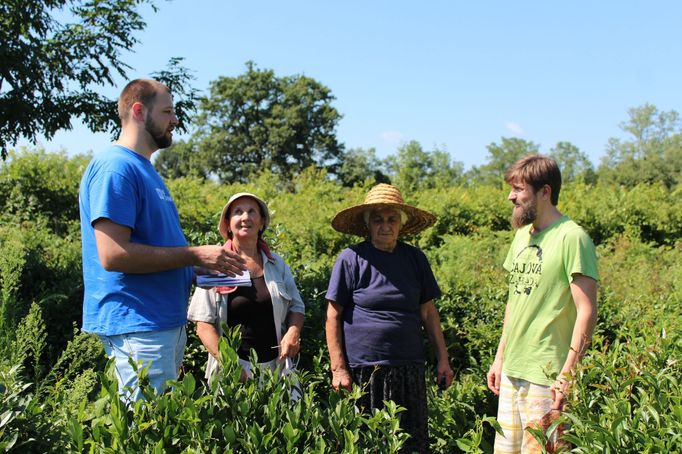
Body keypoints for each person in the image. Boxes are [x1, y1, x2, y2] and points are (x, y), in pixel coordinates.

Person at [79, 79, 246, 401]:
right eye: (168, 111)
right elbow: (114, 255)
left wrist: (201, 271)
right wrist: (194, 254)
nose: (175, 120)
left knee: (161, 428)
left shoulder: (144, 170)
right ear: (139, 111)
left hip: (159, 322)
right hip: (139, 325)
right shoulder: (116, 168)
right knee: (145, 429)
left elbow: (155, 249)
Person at [325, 183, 454, 454]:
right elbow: (333, 315)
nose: (385, 225)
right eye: (378, 219)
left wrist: (443, 359)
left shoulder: (415, 258)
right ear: (368, 224)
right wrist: (338, 369)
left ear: (401, 224)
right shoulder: (351, 259)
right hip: (365, 370)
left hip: (409, 368)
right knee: (367, 443)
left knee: (410, 443)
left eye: (392, 219)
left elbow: (428, 313)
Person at [486, 154, 599, 453]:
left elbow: (587, 311)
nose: (511, 196)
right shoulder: (522, 235)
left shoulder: (572, 238)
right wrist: (500, 358)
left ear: (545, 191)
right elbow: (515, 301)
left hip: (547, 377)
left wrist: (567, 375)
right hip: (512, 370)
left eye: (519, 189)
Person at [187, 192, 305, 386]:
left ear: (261, 222)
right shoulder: (216, 263)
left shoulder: (277, 264)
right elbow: (203, 324)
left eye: (252, 212)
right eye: (238, 212)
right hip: (232, 370)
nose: (245, 217)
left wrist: (293, 332)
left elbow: (296, 307)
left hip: (278, 368)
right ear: (228, 224)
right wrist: (231, 365)